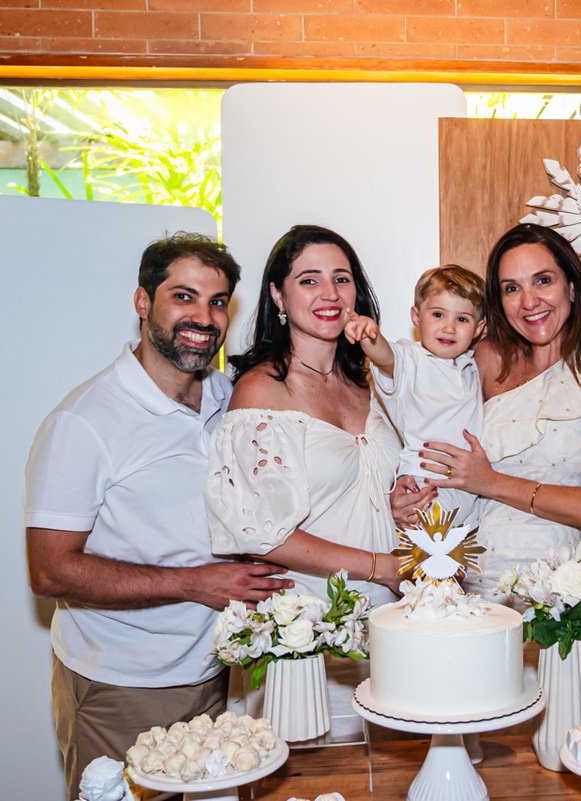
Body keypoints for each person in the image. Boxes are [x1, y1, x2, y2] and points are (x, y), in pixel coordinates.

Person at [25, 233, 293, 800]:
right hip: (121, 687)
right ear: (143, 302)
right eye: (184, 297)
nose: (203, 316)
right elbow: (48, 571)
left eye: (218, 302)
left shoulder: (230, 400)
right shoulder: (85, 421)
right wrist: (193, 585)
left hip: (219, 676)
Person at [204, 224, 406, 721]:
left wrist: (403, 503)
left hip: (391, 619)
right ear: (278, 293)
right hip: (307, 622)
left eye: (342, 278)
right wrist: (382, 566)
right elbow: (262, 535)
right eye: (309, 280)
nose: (330, 294)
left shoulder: (373, 384)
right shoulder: (260, 392)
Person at [418, 224, 581, 596]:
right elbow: (425, 423)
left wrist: (492, 483)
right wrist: (408, 489)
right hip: (469, 583)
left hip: (557, 591)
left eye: (543, 280)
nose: (529, 301)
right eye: (511, 289)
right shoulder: (485, 359)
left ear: (572, 287)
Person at [344, 264, 487, 526]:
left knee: (461, 560)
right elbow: (386, 356)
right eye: (438, 314)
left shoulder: (472, 365)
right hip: (427, 483)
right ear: (416, 316)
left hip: (469, 489)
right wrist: (368, 334)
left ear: (478, 329)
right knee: (428, 556)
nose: (449, 328)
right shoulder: (411, 358)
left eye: (462, 319)